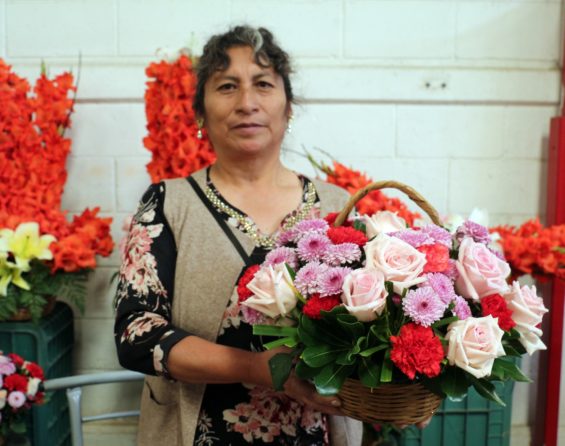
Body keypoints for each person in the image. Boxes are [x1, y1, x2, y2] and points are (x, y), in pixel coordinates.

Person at [114, 25, 363, 445]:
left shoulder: (338, 207)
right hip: (199, 432)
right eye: (227, 87)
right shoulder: (169, 205)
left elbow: (369, 325)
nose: (247, 103)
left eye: (263, 84)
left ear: (288, 107)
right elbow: (137, 336)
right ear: (200, 113)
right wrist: (258, 369)